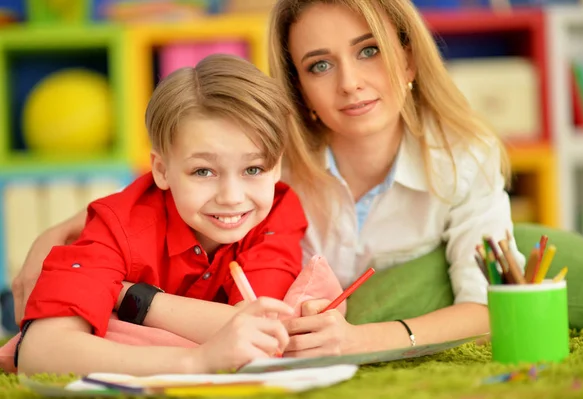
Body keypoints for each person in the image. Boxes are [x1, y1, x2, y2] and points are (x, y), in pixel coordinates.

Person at [13, 0, 524, 359]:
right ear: (298, 86)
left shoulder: (463, 159)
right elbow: (137, 205)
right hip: (239, 312)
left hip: (391, 312)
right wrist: (52, 242)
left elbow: (493, 305)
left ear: (408, 55)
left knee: (562, 260)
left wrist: (362, 339)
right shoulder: (262, 166)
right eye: (319, 65)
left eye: (369, 50)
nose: (350, 83)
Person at [15, 53, 330, 375]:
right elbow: (39, 350)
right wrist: (197, 361)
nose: (232, 198)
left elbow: (265, 329)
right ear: (162, 171)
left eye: (253, 168)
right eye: (203, 171)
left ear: (276, 167)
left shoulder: (277, 208)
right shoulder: (118, 225)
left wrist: (133, 297)